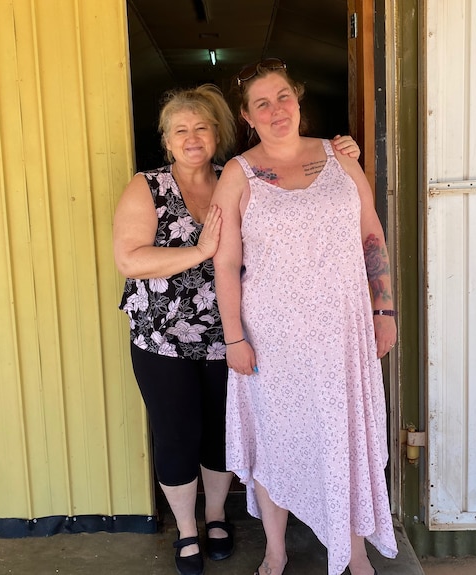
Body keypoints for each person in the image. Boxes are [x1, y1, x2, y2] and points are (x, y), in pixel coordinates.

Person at [113, 83, 360, 575]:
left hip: (237, 335)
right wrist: (200, 253)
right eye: (179, 130)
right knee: (178, 434)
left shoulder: (240, 174)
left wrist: (339, 151)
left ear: (219, 132)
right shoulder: (149, 186)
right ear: (166, 139)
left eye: (201, 127)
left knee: (223, 438)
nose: (191, 137)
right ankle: (187, 530)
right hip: (166, 339)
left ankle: (215, 516)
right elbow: (130, 259)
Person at [211, 58, 398, 575]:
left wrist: (383, 308)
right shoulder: (238, 172)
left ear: (298, 100)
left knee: (345, 437)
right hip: (272, 338)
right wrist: (234, 339)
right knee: (275, 441)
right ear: (248, 117)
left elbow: (371, 237)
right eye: (262, 104)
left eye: (283, 97)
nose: (277, 111)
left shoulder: (339, 157)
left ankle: (354, 550)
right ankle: (276, 549)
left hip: (343, 331)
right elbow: (225, 262)